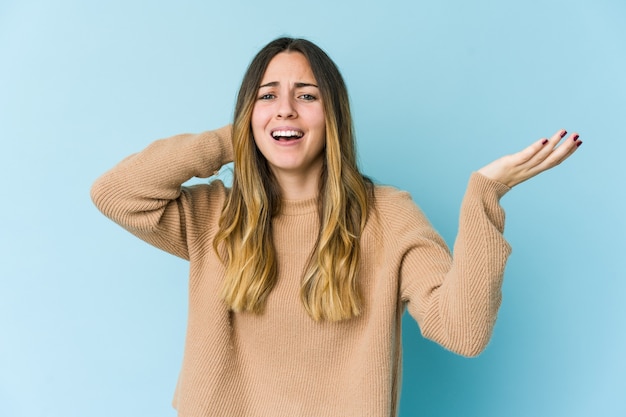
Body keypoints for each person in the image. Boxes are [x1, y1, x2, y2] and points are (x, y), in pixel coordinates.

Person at [91, 37, 581, 417]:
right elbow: (115, 193)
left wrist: (483, 199)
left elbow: (464, 331)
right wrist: (237, 134)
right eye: (267, 97)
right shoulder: (214, 217)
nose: (286, 108)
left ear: (334, 117)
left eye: (307, 95)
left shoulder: (387, 216)